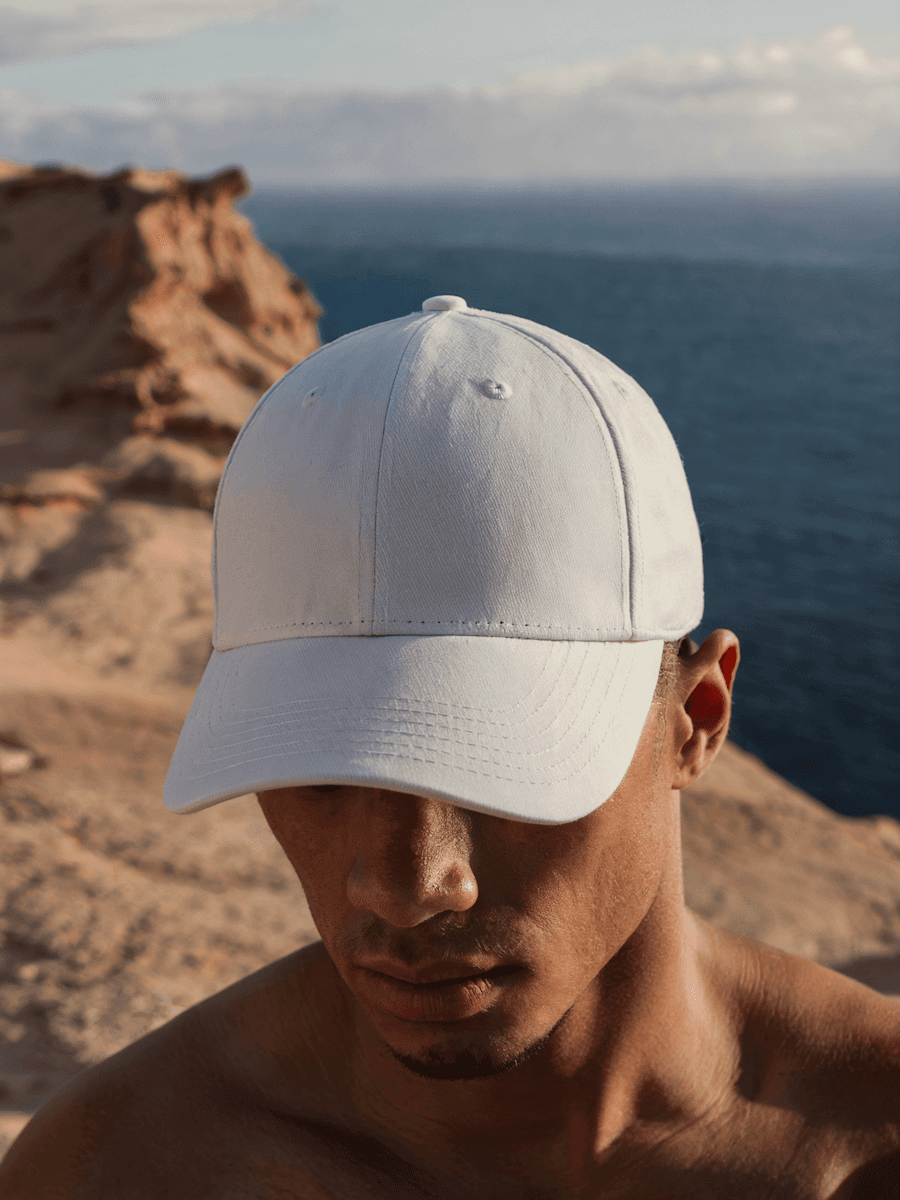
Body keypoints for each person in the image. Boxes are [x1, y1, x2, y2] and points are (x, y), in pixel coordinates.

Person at [2, 295, 897, 1198]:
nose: (405, 886)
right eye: (319, 771)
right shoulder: (114, 1172)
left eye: (498, 768)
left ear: (696, 719)